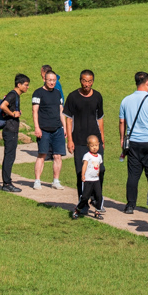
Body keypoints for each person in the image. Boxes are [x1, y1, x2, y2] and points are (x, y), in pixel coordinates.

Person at [119, 71, 148, 214]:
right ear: (147, 83)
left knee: (133, 175)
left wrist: (122, 138)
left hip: (133, 143)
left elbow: (122, 122)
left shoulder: (126, 100)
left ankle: (130, 205)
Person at [63, 70, 106, 208]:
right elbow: (69, 120)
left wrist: (102, 139)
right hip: (79, 140)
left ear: (93, 81)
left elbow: (100, 119)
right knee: (81, 172)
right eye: (84, 81)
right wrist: (70, 140)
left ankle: (95, 198)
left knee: (100, 169)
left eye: (89, 81)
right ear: (80, 80)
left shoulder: (98, 96)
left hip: (95, 140)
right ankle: (83, 202)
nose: (87, 84)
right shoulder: (73, 97)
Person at [30, 69, 66, 190]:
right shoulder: (38, 93)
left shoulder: (57, 93)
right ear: (44, 79)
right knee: (42, 155)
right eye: (49, 80)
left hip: (57, 129)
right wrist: (37, 128)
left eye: (54, 80)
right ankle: (37, 181)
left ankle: (56, 180)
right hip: (43, 129)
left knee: (58, 156)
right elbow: (34, 111)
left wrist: (64, 127)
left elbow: (61, 111)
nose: (52, 82)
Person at [0, 74, 30, 192]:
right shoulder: (13, 94)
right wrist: (12, 114)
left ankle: (7, 182)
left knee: (10, 156)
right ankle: (7, 184)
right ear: (19, 84)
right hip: (9, 130)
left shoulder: (15, 95)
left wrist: (16, 111)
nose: (27, 87)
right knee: (9, 156)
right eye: (26, 85)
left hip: (11, 130)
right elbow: (3, 106)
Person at [72, 135, 104, 219]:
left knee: (99, 196)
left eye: (96, 145)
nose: (94, 148)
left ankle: (97, 211)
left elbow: (99, 166)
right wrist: (82, 175)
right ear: (88, 146)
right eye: (92, 146)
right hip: (88, 180)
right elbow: (84, 165)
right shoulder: (87, 155)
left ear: (98, 144)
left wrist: (98, 174)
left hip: (96, 180)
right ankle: (77, 209)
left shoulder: (99, 156)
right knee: (85, 197)